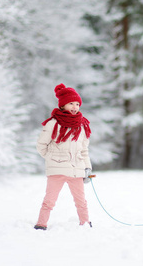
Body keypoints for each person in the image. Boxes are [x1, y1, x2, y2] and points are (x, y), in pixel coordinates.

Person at [34, 83, 93, 230]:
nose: (75, 106)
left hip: (76, 170)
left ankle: (85, 223)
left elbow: (84, 150)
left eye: (77, 104)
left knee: (81, 201)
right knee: (49, 200)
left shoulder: (82, 125)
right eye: (71, 103)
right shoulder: (53, 123)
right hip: (57, 170)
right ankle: (41, 224)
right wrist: (52, 158)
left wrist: (87, 168)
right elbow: (41, 145)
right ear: (62, 105)